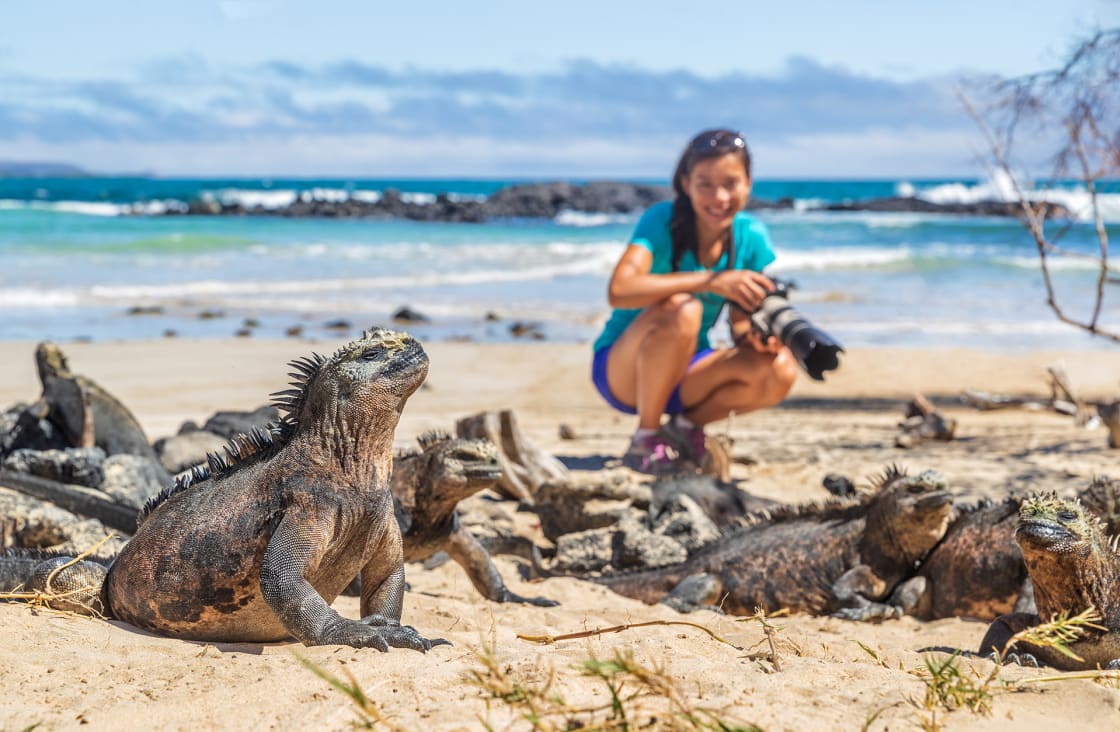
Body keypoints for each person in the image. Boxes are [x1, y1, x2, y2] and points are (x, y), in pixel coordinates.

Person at [591, 128, 798, 474]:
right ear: (685, 184)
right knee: (685, 309)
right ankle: (645, 436)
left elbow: (740, 325)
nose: (719, 197)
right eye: (705, 184)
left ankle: (684, 429)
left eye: (730, 183)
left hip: (689, 372)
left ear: (748, 183)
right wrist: (713, 281)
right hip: (624, 369)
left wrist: (758, 340)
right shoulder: (661, 220)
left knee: (780, 370)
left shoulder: (751, 237)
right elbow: (620, 289)